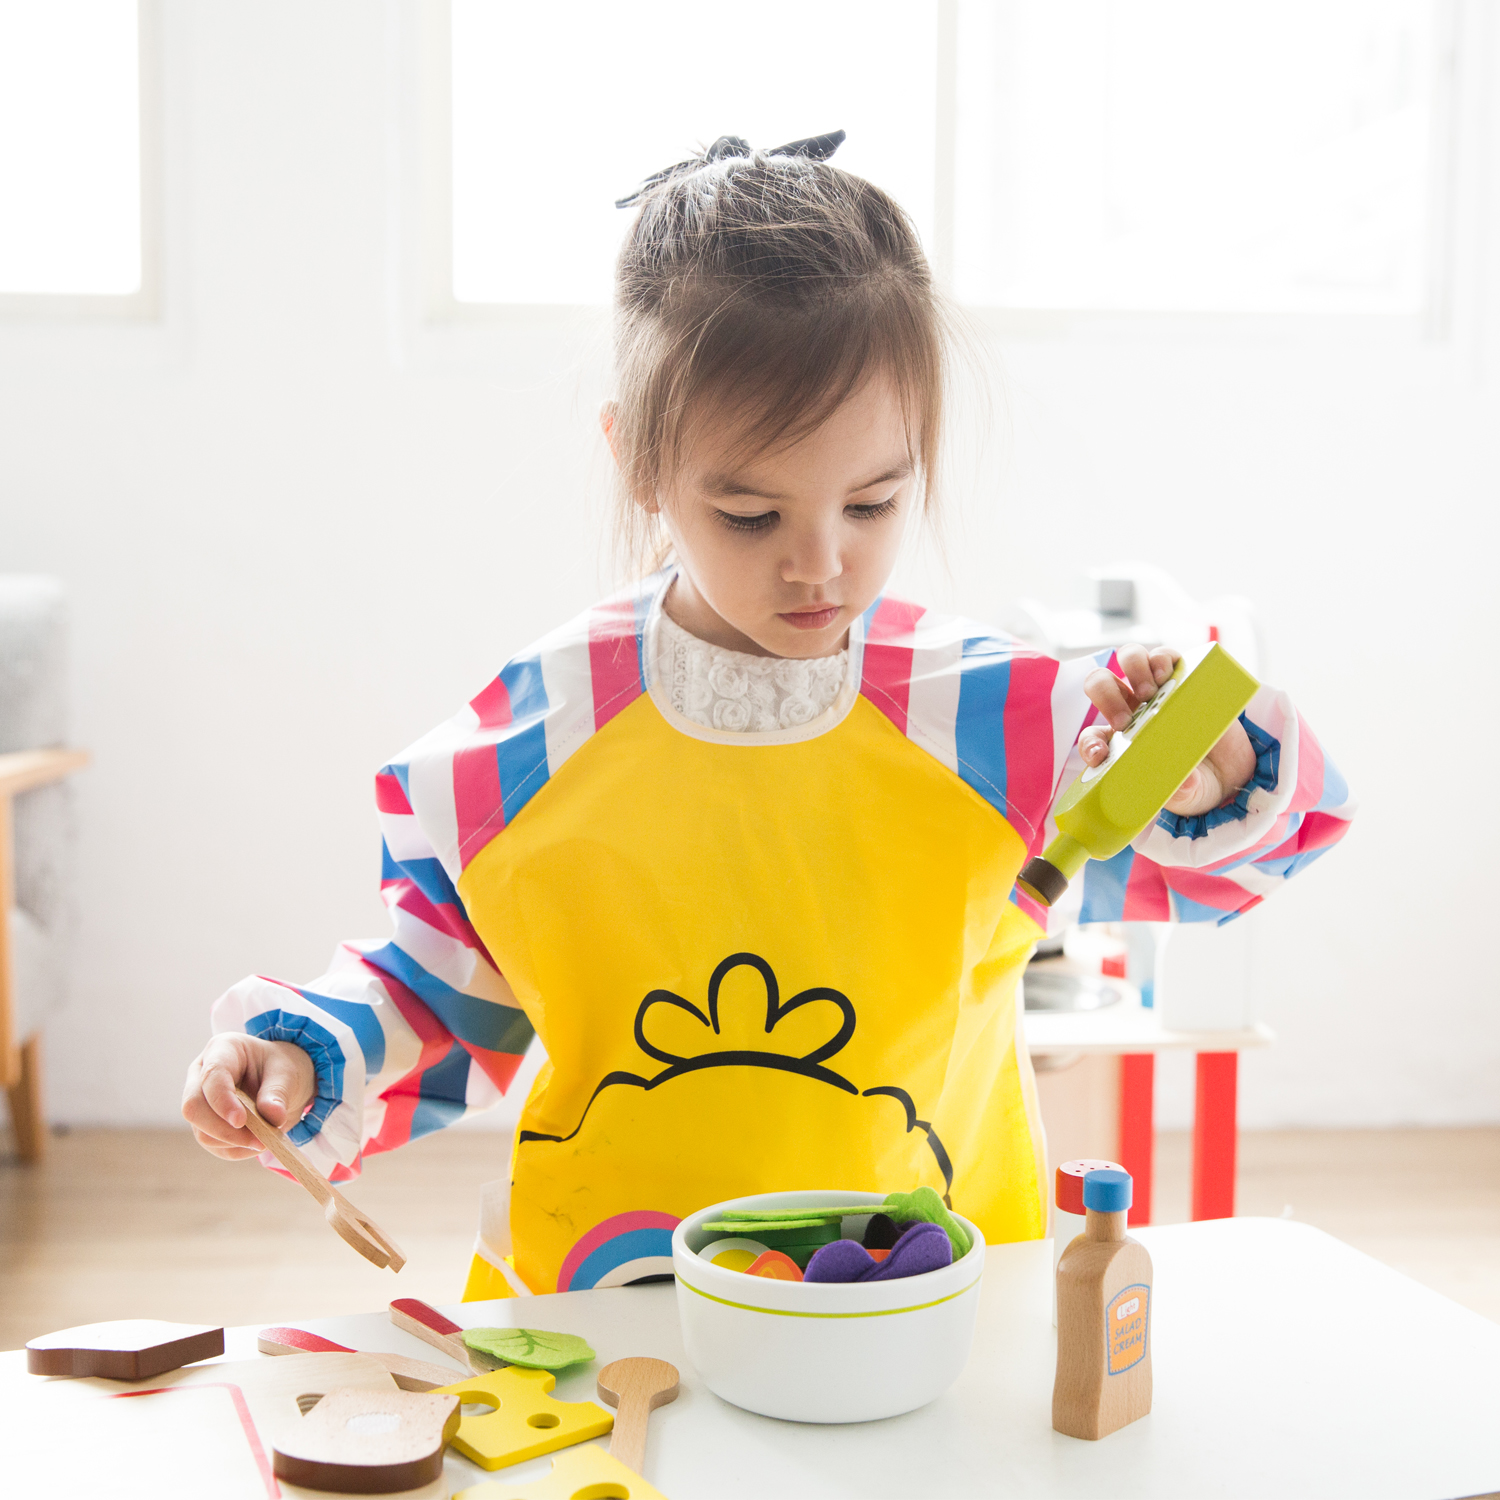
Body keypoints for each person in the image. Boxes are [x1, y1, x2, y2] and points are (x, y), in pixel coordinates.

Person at [181, 133, 1353, 1297]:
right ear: (637, 462)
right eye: (750, 515)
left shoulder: (1007, 724)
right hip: (616, 1307)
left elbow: (1242, 858)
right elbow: (440, 994)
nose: (822, 565)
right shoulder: (529, 743)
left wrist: (1208, 772)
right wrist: (294, 1057)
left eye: (874, 501)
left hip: (928, 1303)